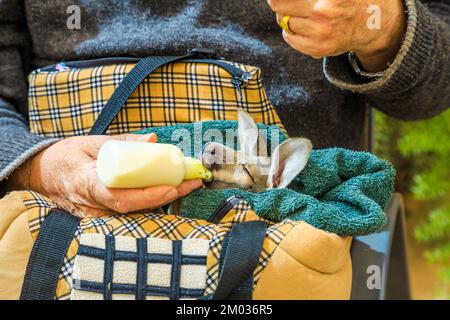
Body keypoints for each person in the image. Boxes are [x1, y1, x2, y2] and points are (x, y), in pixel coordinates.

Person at [0, 0, 449, 217]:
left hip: (296, 250)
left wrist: (380, 25)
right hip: (63, 239)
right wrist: (38, 166)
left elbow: (434, 86)